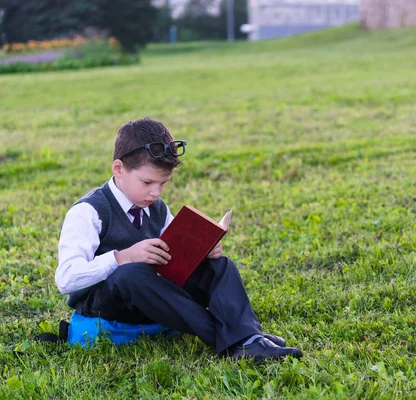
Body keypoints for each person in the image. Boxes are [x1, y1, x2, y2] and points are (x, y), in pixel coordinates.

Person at [55, 118, 303, 361]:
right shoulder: (88, 211)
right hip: (106, 303)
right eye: (148, 182)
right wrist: (123, 257)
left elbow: (173, 254)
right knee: (131, 274)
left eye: (163, 183)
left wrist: (201, 250)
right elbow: (66, 278)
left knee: (219, 266)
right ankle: (232, 340)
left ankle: (247, 339)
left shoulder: (157, 207)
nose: (156, 192)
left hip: (152, 296)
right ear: (118, 168)